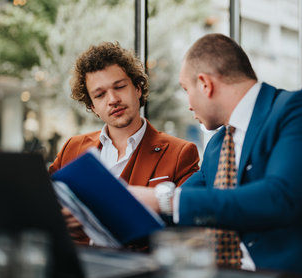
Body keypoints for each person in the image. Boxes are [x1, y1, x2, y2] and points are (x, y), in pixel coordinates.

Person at [128, 33, 302, 278]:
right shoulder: (216, 147)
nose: (188, 104)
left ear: (205, 84)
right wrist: (108, 206)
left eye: (185, 89)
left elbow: (279, 198)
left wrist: (161, 199)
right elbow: (180, 205)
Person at [49, 42, 200, 245]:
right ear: (93, 106)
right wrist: (58, 217)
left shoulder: (181, 152)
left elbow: (189, 224)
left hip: (144, 269)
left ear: (138, 89)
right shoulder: (72, 148)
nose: (112, 99)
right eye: (100, 95)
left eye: (119, 87)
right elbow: (44, 204)